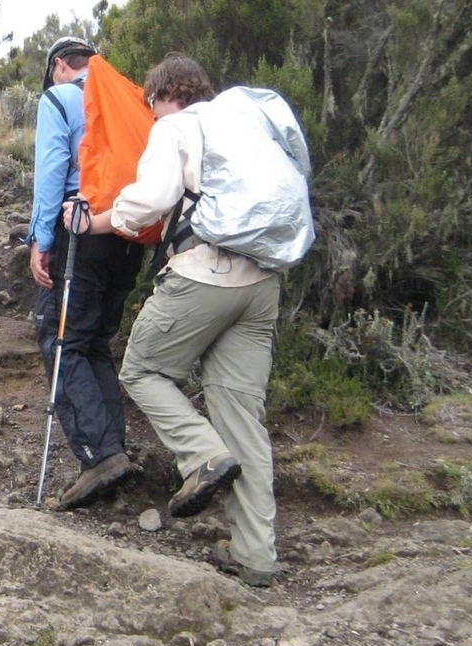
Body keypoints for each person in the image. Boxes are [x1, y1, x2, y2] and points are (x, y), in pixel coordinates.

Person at [67, 52, 297, 587]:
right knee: (241, 414)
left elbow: (148, 203)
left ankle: (202, 457)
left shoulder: (177, 126)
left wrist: (93, 222)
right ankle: (256, 556)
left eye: (150, 105)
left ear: (161, 95)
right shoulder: (247, 125)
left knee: (142, 370)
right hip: (263, 283)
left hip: (204, 273)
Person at [26, 37, 145, 511]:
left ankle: (99, 456)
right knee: (94, 340)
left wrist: (41, 240)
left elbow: (52, 171)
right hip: (131, 230)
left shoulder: (59, 97)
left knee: (61, 338)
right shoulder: (129, 100)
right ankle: (112, 449)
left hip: (83, 229)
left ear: (59, 65)